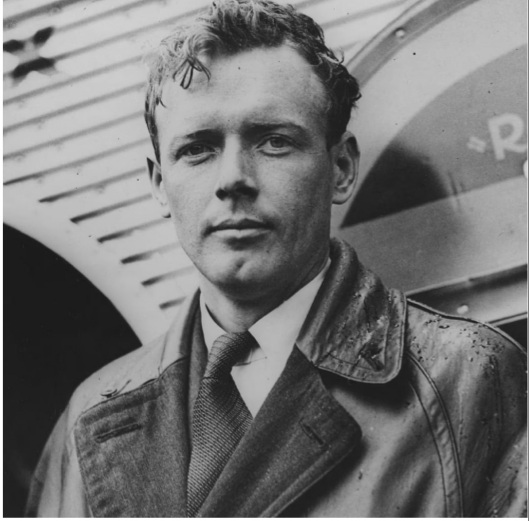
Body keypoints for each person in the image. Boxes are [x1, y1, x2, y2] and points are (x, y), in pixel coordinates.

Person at [26, 0, 526, 517]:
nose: (232, 180)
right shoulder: (91, 416)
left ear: (341, 168)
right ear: (158, 183)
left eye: (273, 141)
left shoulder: (466, 380)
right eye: (197, 149)